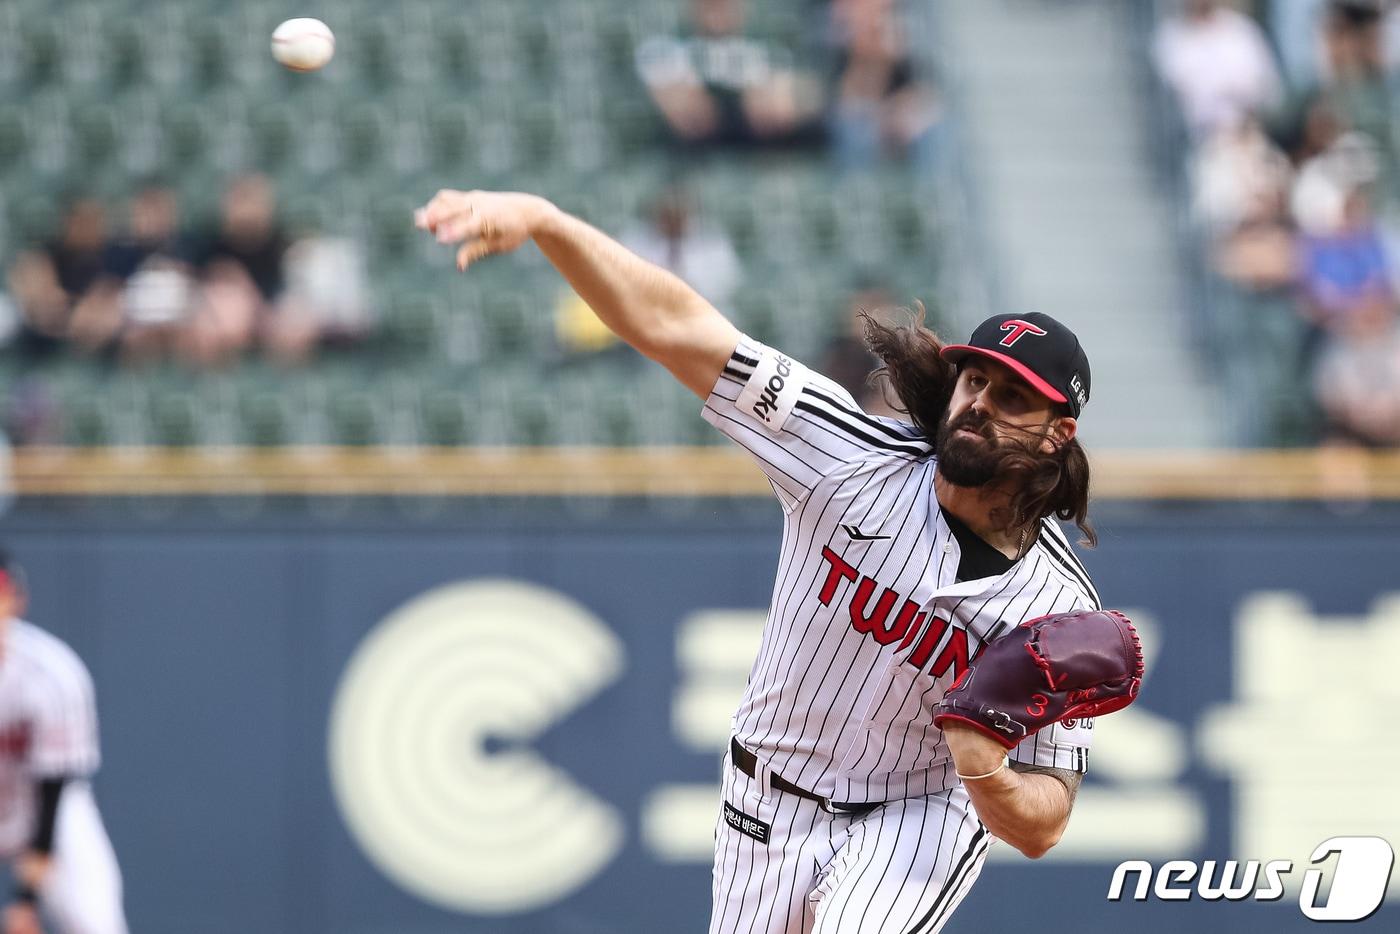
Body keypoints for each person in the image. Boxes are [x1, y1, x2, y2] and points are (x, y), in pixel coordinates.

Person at [415, 189, 1117, 932]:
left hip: (921, 813)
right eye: (975, 380)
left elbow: (1043, 823)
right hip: (766, 796)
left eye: (1013, 398)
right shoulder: (847, 455)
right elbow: (676, 328)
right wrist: (549, 223)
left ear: (1056, 434)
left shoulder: (1058, 609)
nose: (979, 403)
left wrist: (983, 765)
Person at [0, 550, 127, 934]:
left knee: (96, 921)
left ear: (17, 599)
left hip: (42, 809)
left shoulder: (52, 674)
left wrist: (26, 899)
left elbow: (52, 790)